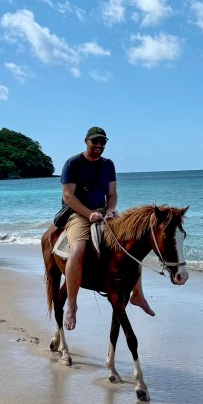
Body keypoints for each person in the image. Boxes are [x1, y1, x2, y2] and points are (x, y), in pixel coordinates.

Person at [60, 126, 154, 331]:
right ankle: (72, 305)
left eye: (102, 142)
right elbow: (68, 196)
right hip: (78, 214)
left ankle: (138, 294)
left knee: (132, 244)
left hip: (104, 212)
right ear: (86, 141)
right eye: (95, 142)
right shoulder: (72, 164)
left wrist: (111, 210)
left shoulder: (108, 165)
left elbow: (112, 193)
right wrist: (88, 214)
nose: (99, 146)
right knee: (77, 250)